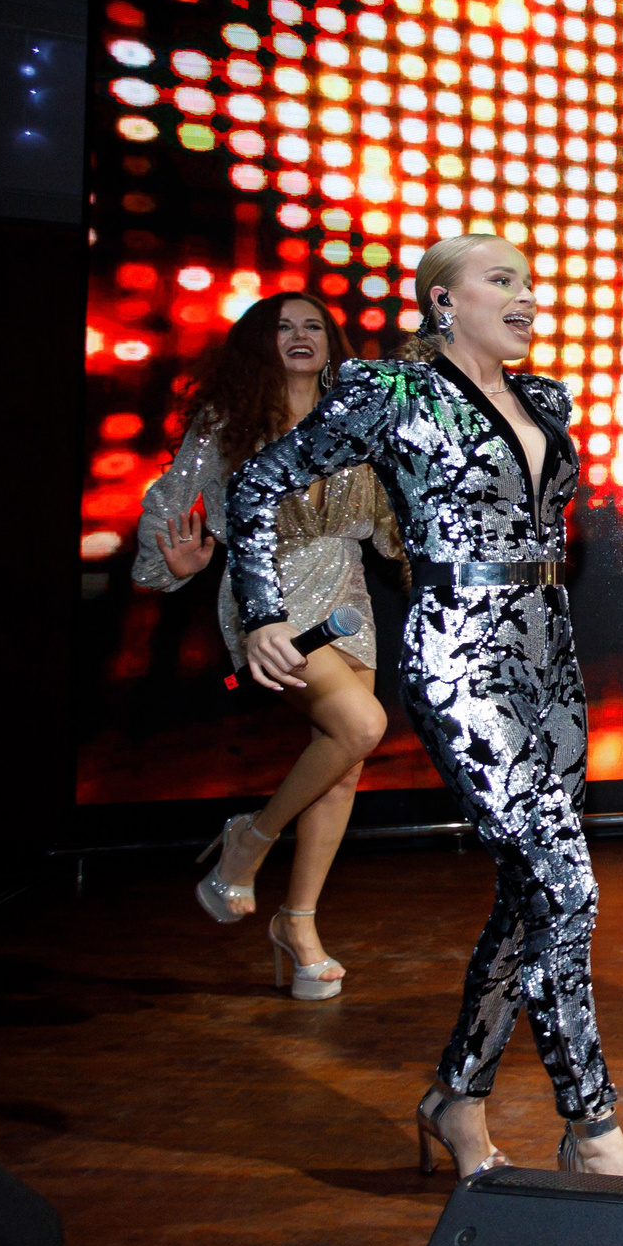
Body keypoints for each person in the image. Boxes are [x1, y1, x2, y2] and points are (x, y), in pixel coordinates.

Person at [230, 234, 623, 1179]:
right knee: (569, 889)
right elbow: (257, 485)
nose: (528, 295)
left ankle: (457, 1099)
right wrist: (261, 611)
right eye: (504, 280)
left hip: (551, 650)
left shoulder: (545, 400)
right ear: (444, 301)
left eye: (532, 280)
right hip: (461, 648)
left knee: (530, 892)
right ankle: (594, 1126)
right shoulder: (391, 393)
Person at [141, 291, 398, 999]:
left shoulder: (354, 421)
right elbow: (170, 501)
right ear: (260, 342)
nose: (300, 335)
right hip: (267, 600)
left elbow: (383, 525)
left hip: (345, 594)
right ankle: (249, 840)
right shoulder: (227, 422)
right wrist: (178, 563)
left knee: (344, 763)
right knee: (362, 725)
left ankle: (298, 923)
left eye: (313, 325)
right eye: (283, 326)